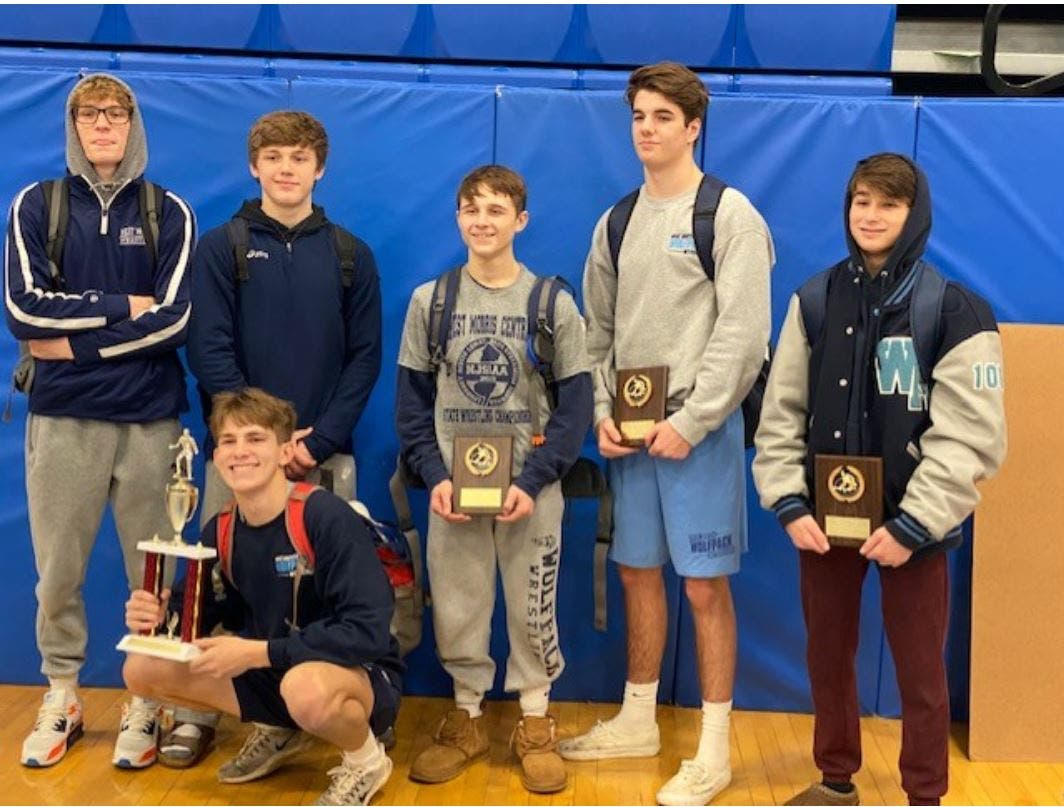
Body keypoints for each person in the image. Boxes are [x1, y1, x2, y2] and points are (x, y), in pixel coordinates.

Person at [752, 153, 1007, 807]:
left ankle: (926, 793)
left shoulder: (955, 309)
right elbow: (781, 413)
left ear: (913, 214)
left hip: (913, 530)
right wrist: (787, 500)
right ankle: (836, 779)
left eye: (887, 204)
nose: (871, 215)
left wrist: (914, 522)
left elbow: (972, 436)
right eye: (861, 201)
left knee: (921, 673)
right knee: (827, 658)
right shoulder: (813, 298)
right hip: (823, 523)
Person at [560, 62, 774, 807]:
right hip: (631, 434)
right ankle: (638, 718)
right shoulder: (616, 221)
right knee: (635, 571)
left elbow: (744, 338)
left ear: (693, 127)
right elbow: (596, 333)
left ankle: (714, 748)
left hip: (699, 435)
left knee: (705, 588)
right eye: (638, 116)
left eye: (661, 117)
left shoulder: (730, 215)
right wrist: (601, 418)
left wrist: (692, 420)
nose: (647, 128)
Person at [180, 109, 382, 771]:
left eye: (299, 158)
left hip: (322, 454)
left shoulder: (350, 254)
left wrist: (317, 441)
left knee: (322, 587)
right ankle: (204, 715)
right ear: (255, 166)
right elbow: (209, 350)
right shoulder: (223, 247)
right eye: (274, 157)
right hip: (241, 455)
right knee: (227, 586)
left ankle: (322, 713)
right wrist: (260, 442)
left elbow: (364, 359)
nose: (287, 169)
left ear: (319, 168)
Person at [4, 72, 194, 770]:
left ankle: (148, 696)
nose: (104, 124)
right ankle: (63, 694)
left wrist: (74, 338)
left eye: (116, 112)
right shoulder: (38, 205)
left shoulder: (168, 209)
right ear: (74, 126)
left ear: (134, 122)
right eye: (91, 114)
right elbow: (25, 315)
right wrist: (123, 306)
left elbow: (175, 317)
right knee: (58, 571)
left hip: (149, 418)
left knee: (156, 572)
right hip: (62, 420)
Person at [396, 164, 593, 794]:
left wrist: (532, 480)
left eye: (496, 210)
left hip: (528, 491)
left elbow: (576, 410)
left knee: (533, 602)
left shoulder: (553, 303)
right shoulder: (432, 302)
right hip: (454, 489)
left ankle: (535, 719)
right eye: (471, 209)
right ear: (458, 218)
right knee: (457, 602)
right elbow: (410, 405)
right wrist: (435, 475)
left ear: (521, 221)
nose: (482, 221)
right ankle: (467, 715)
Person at [122, 387, 402, 806]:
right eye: (228, 441)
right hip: (273, 665)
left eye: (255, 439)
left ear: (286, 450)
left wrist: (258, 653)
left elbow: (368, 632)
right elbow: (195, 611)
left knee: (304, 687)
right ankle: (281, 729)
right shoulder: (221, 529)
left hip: (352, 673)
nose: (240, 452)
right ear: (215, 457)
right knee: (142, 668)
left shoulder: (325, 516)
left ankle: (365, 760)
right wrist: (161, 617)